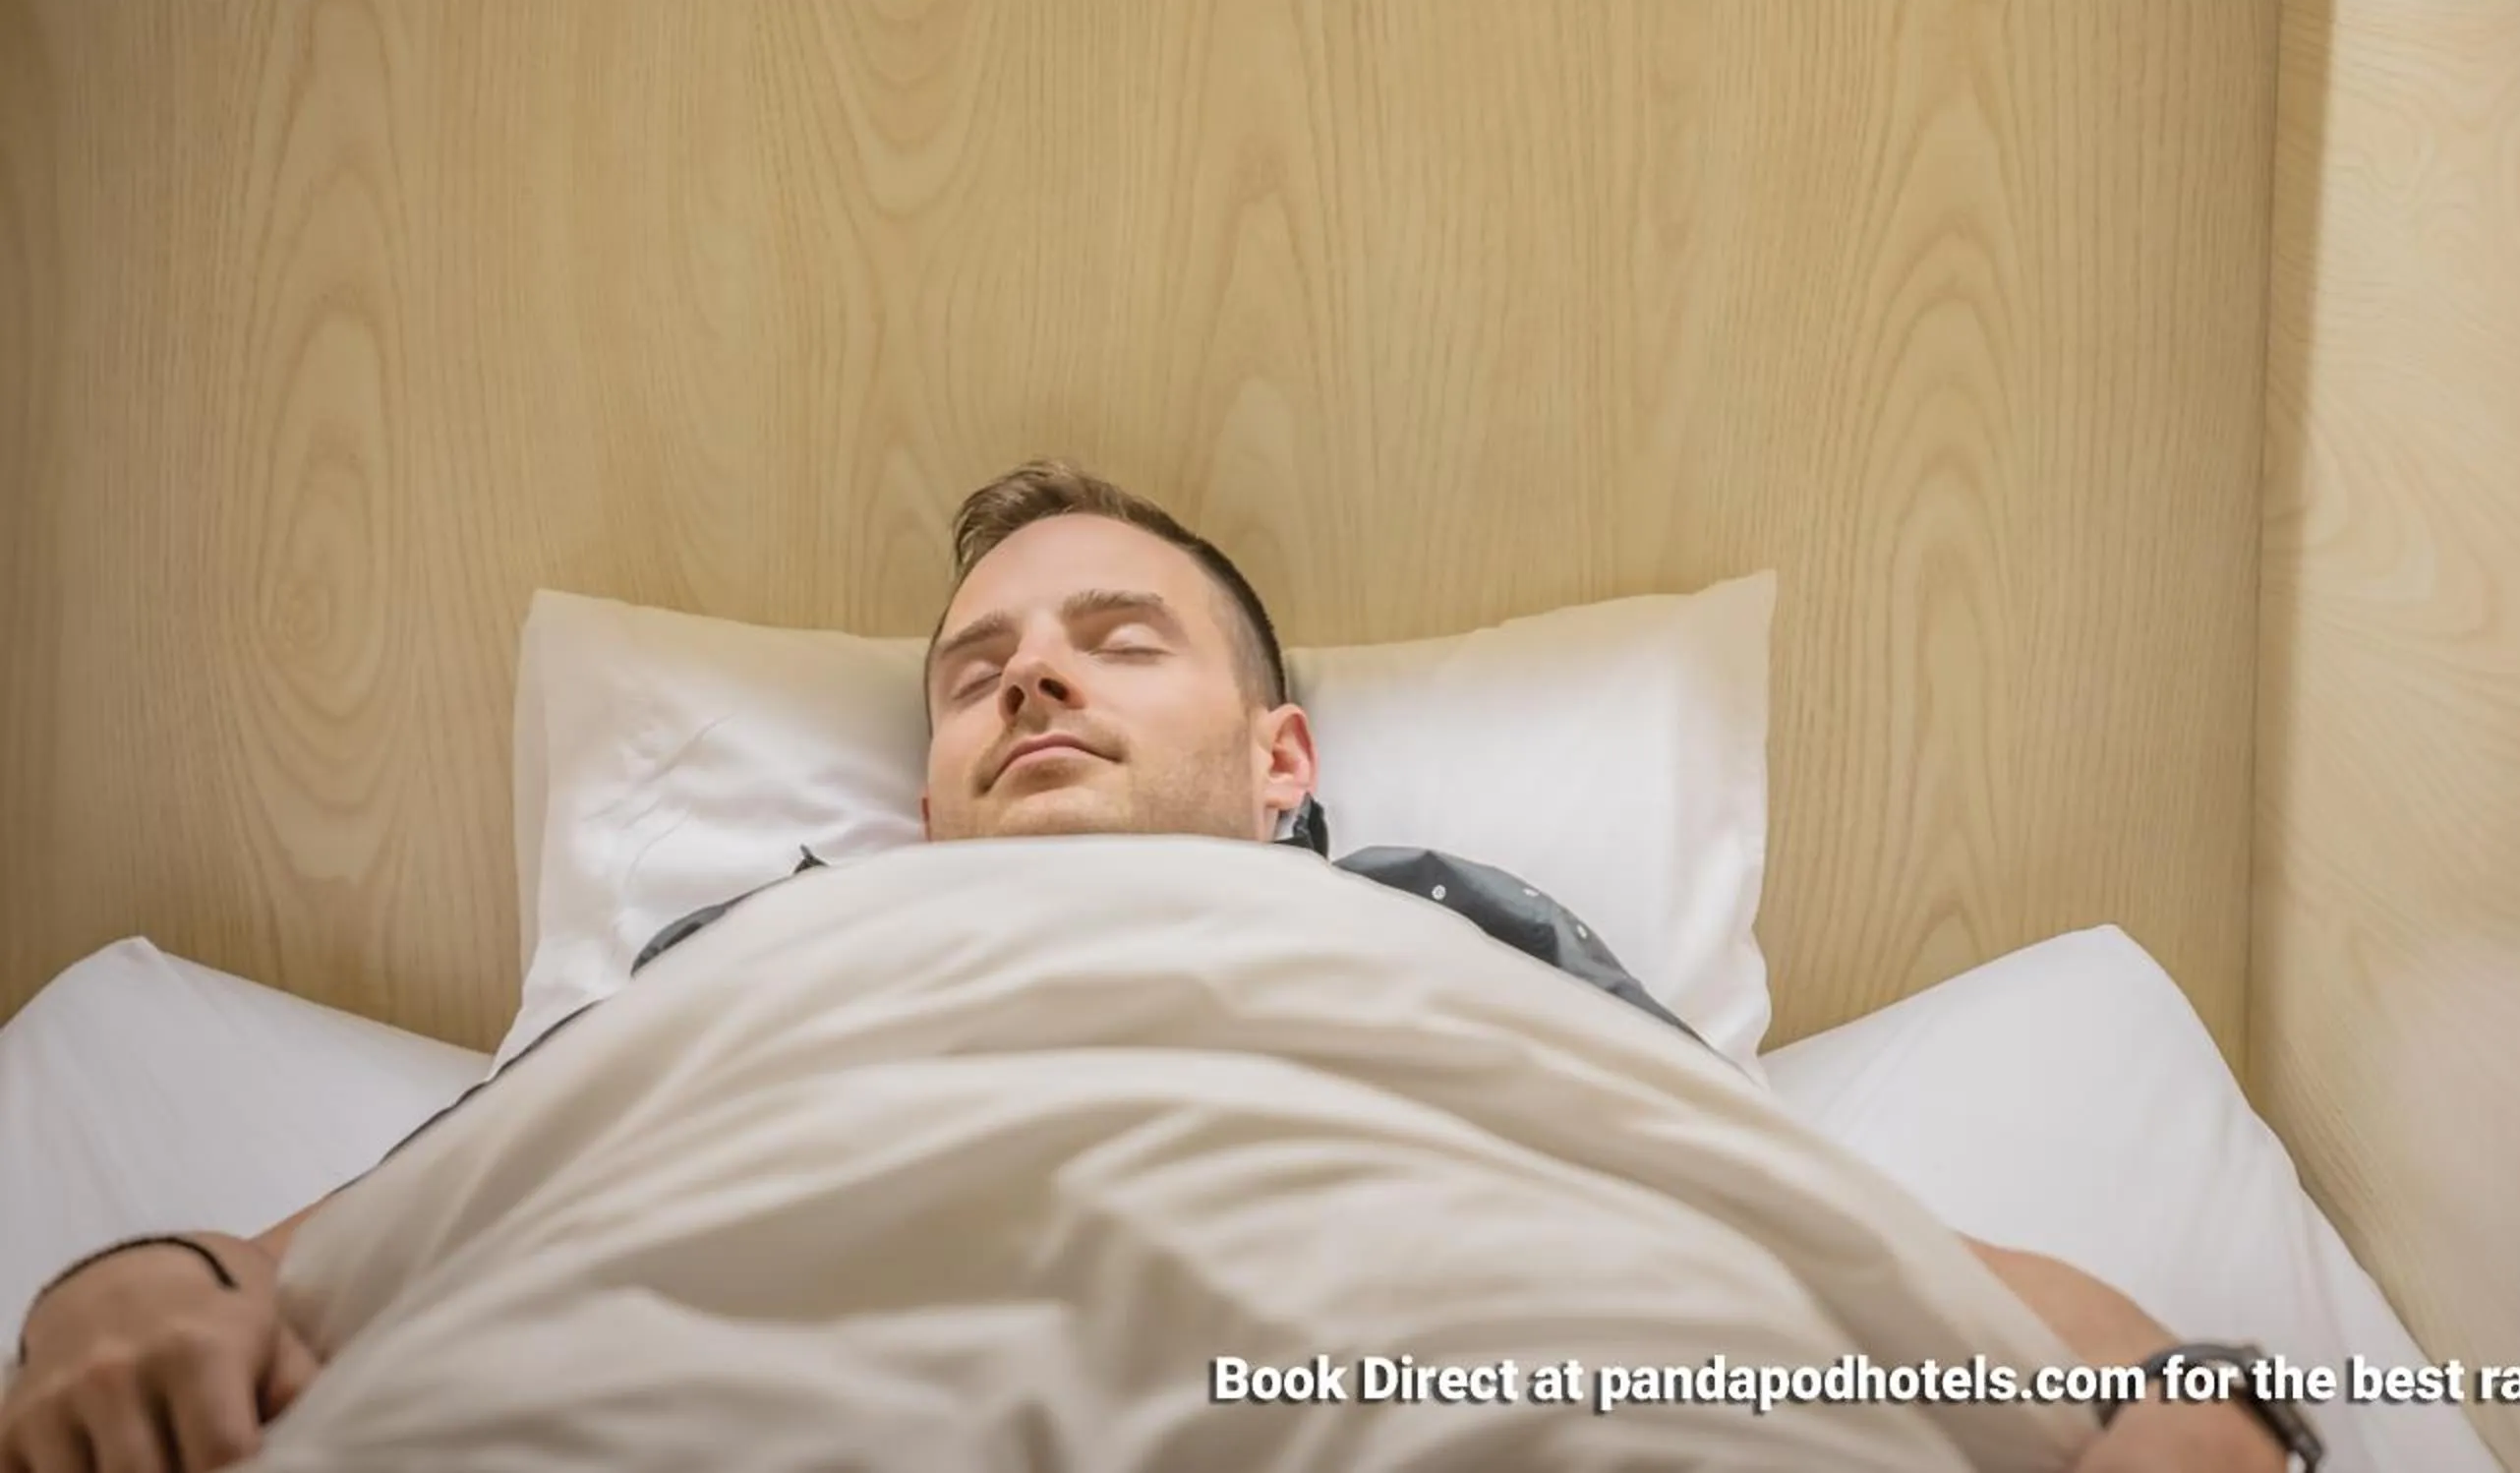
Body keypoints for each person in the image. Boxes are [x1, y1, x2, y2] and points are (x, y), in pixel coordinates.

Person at [2, 462, 2316, 1473]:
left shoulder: (1453, 939)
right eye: (975, 668)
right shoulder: (785, 945)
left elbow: (1862, 1248)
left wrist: (2195, 1409)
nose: (1029, 687)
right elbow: (293, 1257)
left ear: (1284, 755)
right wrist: (117, 1303)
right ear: (924, 791)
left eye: (1117, 642)